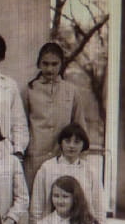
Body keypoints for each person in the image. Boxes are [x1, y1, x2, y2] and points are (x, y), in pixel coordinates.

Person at [23, 42, 87, 185]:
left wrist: (80, 158)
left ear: (61, 64)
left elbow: (80, 127)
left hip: (63, 158)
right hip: (35, 158)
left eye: (54, 64)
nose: (49, 69)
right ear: (38, 64)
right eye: (45, 64)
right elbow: (21, 126)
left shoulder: (71, 91)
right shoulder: (29, 91)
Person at [29, 122, 104, 224]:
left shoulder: (90, 171)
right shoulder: (47, 168)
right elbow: (37, 205)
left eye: (77, 142)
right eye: (67, 141)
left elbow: (98, 205)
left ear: (83, 145)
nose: (71, 146)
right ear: (61, 143)